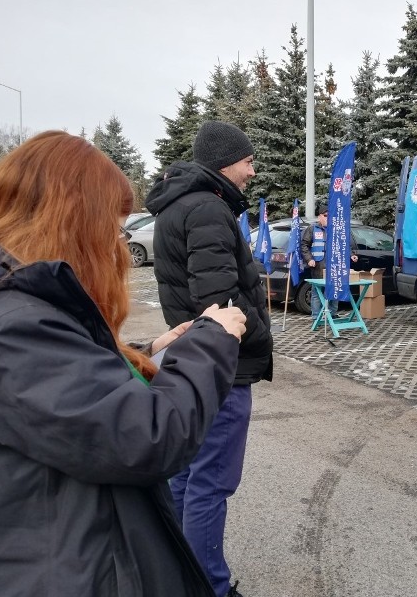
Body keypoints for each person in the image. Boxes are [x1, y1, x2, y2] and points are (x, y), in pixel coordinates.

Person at [0, 131, 247, 596]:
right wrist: (213, 338)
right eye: (113, 219)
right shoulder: (13, 325)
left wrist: (145, 352)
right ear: (72, 217)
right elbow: (146, 438)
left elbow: (73, 386)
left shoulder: (20, 310)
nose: (119, 238)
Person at [145, 120, 273, 597]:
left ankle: (178, 574)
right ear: (225, 163)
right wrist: (259, 335)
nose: (252, 171)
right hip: (221, 364)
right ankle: (210, 587)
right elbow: (219, 299)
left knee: (186, 476)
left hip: (190, 359)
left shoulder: (183, 205)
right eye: (247, 161)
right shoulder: (206, 209)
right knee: (210, 484)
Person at [300, 201, 358, 320]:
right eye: (325, 216)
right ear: (319, 217)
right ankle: (316, 316)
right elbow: (304, 245)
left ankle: (332, 313)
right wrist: (309, 259)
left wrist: (351, 254)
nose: (328, 218)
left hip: (334, 265)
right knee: (317, 291)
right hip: (318, 265)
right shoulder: (312, 229)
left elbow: (344, 244)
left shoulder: (336, 229)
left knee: (334, 289)